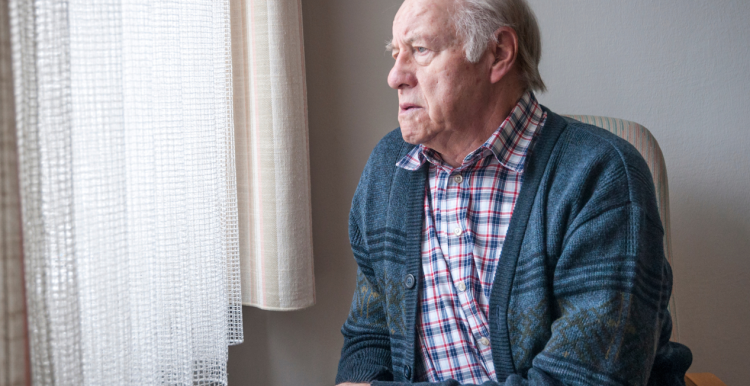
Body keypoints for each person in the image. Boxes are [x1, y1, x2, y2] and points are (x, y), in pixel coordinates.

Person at [335, 0, 692, 384]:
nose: (395, 76)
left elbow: (587, 378)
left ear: (498, 53)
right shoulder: (388, 169)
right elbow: (370, 334)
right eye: (395, 52)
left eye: (420, 50)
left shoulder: (601, 175)